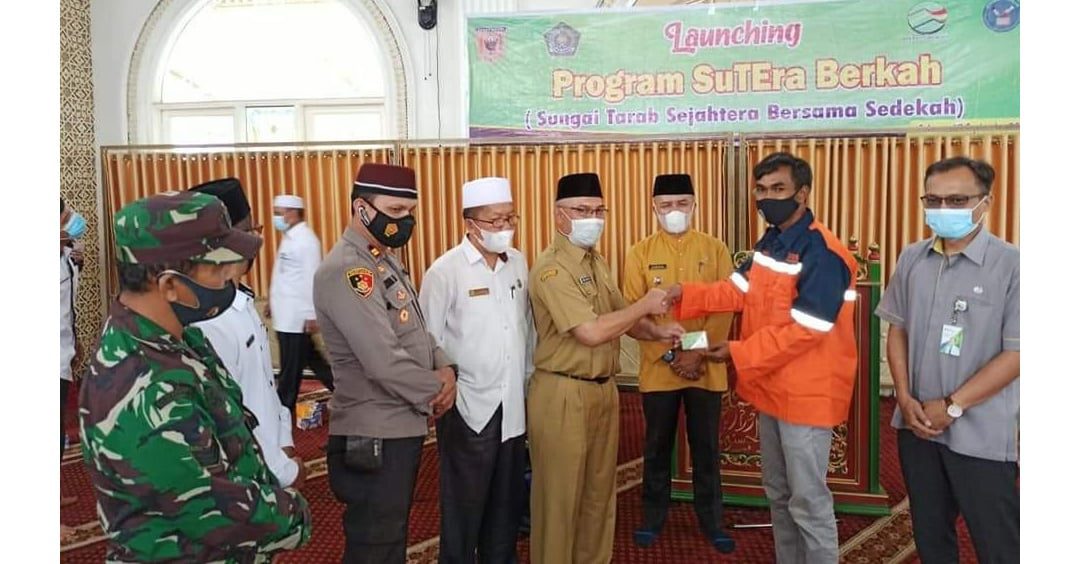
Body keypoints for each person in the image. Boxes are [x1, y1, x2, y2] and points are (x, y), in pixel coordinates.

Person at [79, 191, 311, 562]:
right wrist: (293, 514)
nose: (229, 277)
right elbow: (205, 506)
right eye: (216, 269)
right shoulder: (139, 382)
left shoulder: (180, 339)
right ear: (169, 285)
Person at [665, 152, 858, 564]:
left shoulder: (824, 252)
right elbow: (737, 290)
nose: (767, 198)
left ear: (802, 194)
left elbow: (808, 330)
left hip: (806, 397)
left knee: (808, 501)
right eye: (761, 189)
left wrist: (736, 351)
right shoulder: (770, 242)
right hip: (770, 390)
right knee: (779, 494)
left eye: (778, 189)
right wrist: (684, 293)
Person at [527, 172, 683, 564]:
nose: (592, 218)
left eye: (599, 211)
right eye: (582, 210)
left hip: (602, 390)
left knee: (598, 496)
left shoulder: (596, 261)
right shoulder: (551, 269)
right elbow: (591, 331)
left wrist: (659, 332)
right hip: (564, 392)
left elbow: (622, 318)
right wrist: (645, 305)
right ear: (559, 216)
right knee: (560, 501)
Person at [875, 156, 1020, 564]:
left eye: (957, 200)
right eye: (933, 200)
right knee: (931, 537)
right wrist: (903, 397)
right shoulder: (912, 258)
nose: (943, 209)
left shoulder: (1012, 265)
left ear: (986, 202)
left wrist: (954, 405)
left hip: (981, 434)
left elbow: (1018, 353)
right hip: (917, 426)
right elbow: (898, 329)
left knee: (998, 543)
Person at [314, 163, 457, 564]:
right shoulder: (349, 269)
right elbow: (382, 361)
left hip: (396, 427)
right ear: (361, 208)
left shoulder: (383, 259)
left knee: (390, 539)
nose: (404, 221)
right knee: (375, 546)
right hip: (373, 432)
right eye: (395, 211)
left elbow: (416, 331)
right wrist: (437, 388)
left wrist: (447, 368)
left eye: (410, 212)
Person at [418, 177, 533, 563]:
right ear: (470, 224)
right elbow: (427, 341)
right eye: (495, 220)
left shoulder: (518, 262)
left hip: (512, 405)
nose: (505, 227)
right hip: (468, 408)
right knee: (464, 511)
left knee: (506, 506)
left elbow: (525, 329)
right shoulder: (445, 271)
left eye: (510, 218)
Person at [622, 174, 736, 552]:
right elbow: (634, 313)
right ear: (654, 208)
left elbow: (724, 305)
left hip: (705, 367)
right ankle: (653, 518)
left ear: (695, 205)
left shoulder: (715, 249)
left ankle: (712, 521)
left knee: (707, 448)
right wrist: (673, 355)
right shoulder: (639, 253)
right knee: (656, 446)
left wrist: (694, 352)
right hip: (660, 369)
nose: (675, 211)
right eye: (666, 205)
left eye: (682, 203)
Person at [190, 178, 306, 489]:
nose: (256, 239)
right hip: (245, 479)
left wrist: (284, 441)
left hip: (270, 463)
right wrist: (284, 470)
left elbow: (265, 387)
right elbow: (229, 415)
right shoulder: (208, 321)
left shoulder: (240, 298)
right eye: (248, 231)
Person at [268, 193, 333, 410]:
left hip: (296, 318)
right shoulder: (290, 238)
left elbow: (311, 278)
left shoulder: (306, 241)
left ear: (293, 213)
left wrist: (312, 314)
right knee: (311, 361)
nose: (277, 218)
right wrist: (271, 301)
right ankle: (348, 394)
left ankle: (283, 409)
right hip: (285, 315)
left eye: (280, 213)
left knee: (291, 370)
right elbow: (284, 275)